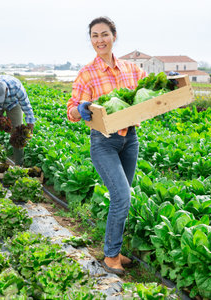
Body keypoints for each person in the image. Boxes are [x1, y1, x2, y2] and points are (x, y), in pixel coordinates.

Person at [67, 16, 147, 275]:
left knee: (121, 197)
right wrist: (81, 109)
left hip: (130, 139)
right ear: (91, 40)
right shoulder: (87, 73)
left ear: (114, 36)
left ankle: (116, 249)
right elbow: (71, 111)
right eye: (94, 36)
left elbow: (150, 90)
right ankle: (110, 256)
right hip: (104, 142)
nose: (99, 40)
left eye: (104, 34)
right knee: (123, 196)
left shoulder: (131, 69)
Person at [0, 75, 35, 165]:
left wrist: (30, 122)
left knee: (18, 133)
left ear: (6, 90)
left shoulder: (16, 87)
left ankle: (19, 165)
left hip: (13, 104)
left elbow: (26, 106)